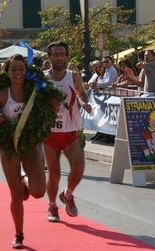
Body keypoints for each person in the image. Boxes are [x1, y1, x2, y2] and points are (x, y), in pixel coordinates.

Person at [0, 54, 50, 249]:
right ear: (7, 73)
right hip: (8, 146)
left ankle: (24, 177)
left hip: (30, 145)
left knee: (39, 191)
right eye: (13, 69)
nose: (17, 72)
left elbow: (51, 108)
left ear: (26, 71)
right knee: (16, 195)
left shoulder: (34, 91)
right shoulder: (1, 94)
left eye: (21, 69)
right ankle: (19, 234)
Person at [43, 41, 92, 222]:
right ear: (49, 57)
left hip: (71, 130)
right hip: (49, 133)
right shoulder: (42, 77)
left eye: (62, 54)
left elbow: (80, 93)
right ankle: (52, 205)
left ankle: (68, 195)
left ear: (66, 56)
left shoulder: (73, 76)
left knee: (78, 167)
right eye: (55, 54)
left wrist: (84, 103)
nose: (59, 58)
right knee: (54, 174)